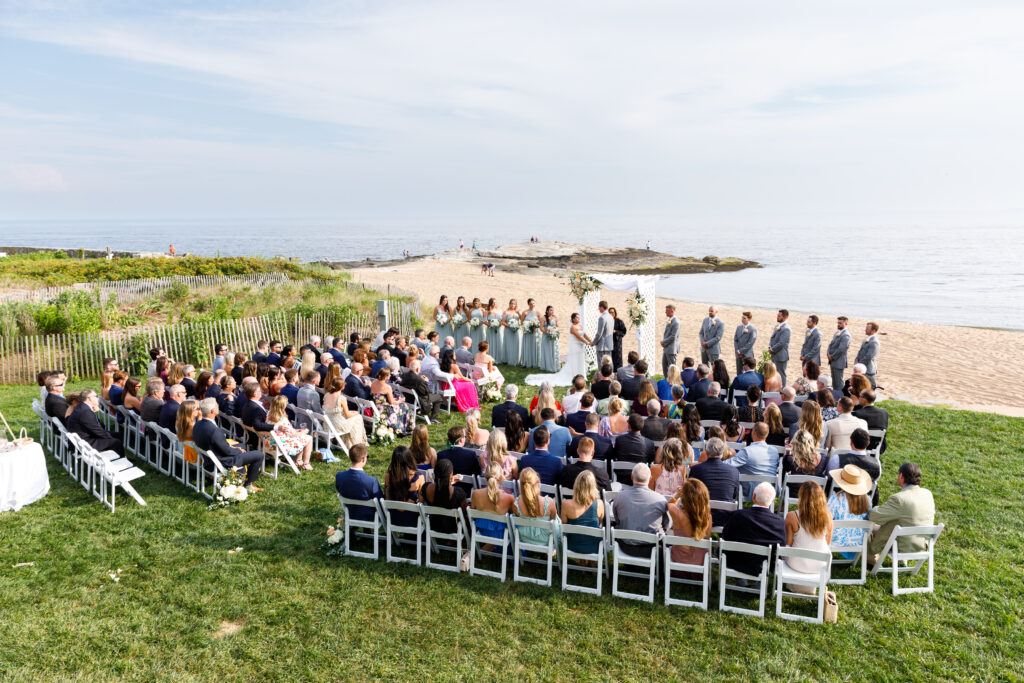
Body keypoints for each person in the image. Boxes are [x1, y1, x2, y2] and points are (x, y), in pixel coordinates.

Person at [867, 462, 935, 566]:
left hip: (901, 546)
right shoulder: (928, 494)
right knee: (901, 521)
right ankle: (902, 561)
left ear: (901, 476)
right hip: (922, 545)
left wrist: (873, 507)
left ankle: (872, 561)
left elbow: (874, 516)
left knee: (870, 527)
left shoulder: (899, 499)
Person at [193, 398, 264, 489]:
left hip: (210, 458)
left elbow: (220, 445)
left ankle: (240, 474)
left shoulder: (197, 424)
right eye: (217, 406)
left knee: (242, 445)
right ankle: (248, 484)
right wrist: (238, 451)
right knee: (259, 455)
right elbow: (227, 451)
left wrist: (236, 448)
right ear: (213, 410)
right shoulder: (214, 430)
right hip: (222, 461)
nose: (218, 407)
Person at [721, 482, 787, 577]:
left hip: (734, 561)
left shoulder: (736, 515)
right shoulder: (779, 522)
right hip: (763, 565)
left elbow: (725, 536)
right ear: (773, 501)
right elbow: (781, 547)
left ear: (753, 496)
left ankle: (742, 579)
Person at [612, 464, 672, 556]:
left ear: (632, 477)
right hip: (652, 548)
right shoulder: (660, 500)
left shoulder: (620, 497)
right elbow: (666, 525)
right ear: (650, 478)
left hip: (625, 546)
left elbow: (617, 520)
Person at [783, 482, 832, 593]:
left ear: (801, 498)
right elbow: (827, 542)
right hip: (820, 565)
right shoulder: (828, 516)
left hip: (796, 564)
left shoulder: (792, 516)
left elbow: (788, 544)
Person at [688, 437, 740, 526]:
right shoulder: (734, 471)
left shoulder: (696, 469)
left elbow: (690, 494)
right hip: (725, 517)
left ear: (707, 452)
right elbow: (735, 495)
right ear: (722, 452)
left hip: (701, 516)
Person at [667, 478, 712, 576]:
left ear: (685, 497)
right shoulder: (708, 517)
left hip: (679, 561)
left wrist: (677, 495)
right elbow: (707, 536)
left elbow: (669, 504)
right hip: (700, 563)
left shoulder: (677, 514)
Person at [827, 464, 872, 558]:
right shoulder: (867, 500)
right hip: (858, 540)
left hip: (836, 540)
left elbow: (826, 520)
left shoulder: (836, 499)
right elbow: (868, 519)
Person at [728, 423, 780, 499]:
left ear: (754, 432)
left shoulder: (747, 451)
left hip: (750, 493)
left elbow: (727, 465)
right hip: (769, 493)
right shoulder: (774, 451)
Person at [67, 389, 125, 456]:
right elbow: (96, 430)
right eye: (96, 396)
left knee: (117, 435)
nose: (98, 398)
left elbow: (95, 428)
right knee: (115, 442)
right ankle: (119, 460)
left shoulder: (83, 407)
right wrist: (109, 437)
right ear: (89, 398)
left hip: (83, 438)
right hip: (84, 443)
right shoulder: (85, 411)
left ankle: (120, 456)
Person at [560, 470, 605, 556]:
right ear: (593, 486)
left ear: (576, 485)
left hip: (573, 545)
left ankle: (583, 562)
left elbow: (564, 526)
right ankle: (591, 563)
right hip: (594, 546)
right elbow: (599, 523)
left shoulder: (566, 504)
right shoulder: (599, 504)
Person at [471, 462, 517, 545]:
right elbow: (516, 516)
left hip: (483, 530)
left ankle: (489, 546)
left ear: (485, 477)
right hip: (501, 533)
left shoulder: (475, 494)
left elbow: (473, 512)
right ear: (501, 478)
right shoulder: (509, 498)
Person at [264, 395, 314, 470]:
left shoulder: (268, 414)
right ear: (282, 407)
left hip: (269, 442)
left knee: (302, 438)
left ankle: (299, 461)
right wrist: (304, 432)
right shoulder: (282, 420)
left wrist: (297, 431)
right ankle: (306, 463)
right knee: (309, 438)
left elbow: (288, 431)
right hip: (281, 445)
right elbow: (293, 435)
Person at [513, 468, 559, 549]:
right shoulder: (549, 502)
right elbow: (554, 518)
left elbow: (517, 516)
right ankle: (555, 547)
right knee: (558, 520)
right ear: (537, 482)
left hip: (525, 537)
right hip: (546, 539)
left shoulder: (516, 504)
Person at [782, 430, 837, 497]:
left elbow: (785, 471)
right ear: (811, 442)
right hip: (814, 496)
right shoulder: (822, 458)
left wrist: (788, 453)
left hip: (794, 495)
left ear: (795, 443)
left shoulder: (789, 459)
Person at [335, 444, 382, 520]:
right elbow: (380, 502)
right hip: (370, 517)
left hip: (351, 514)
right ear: (363, 459)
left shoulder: (339, 476)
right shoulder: (372, 481)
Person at [420, 459, 469, 533]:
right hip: (453, 528)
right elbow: (464, 512)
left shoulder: (426, 488)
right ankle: (450, 541)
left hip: (433, 525)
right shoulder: (458, 493)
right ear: (451, 474)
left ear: (435, 472)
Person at [322, 377, 368, 451]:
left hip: (328, 425)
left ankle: (350, 443)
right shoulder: (341, 398)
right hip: (338, 425)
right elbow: (347, 415)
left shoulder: (326, 395)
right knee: (358, 417)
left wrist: (352, 413)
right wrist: (356, 413)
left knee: (355, 418)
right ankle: (356, 444)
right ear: (342, 387)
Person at [384, 446, 425, 527]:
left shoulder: (388, 476)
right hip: (414, 521)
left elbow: (387, 497)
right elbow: (421, 501)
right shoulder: (419, 477)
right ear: (410, 459)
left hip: (393, 519)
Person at [370, 368, 415, 436]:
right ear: (386, 376)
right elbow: (392, 403)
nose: (390, 376)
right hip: (384, 409)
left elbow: (380, 397)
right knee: (404, 405)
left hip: (375, 406)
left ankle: (404, 426)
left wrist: (395, 400)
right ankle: (404, 427)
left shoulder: (373, 382)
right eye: (389, 375)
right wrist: (400, 400)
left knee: (401, 404)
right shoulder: (387, 387)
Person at [611, 414, 655, 479]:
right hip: (640, 477)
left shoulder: (619, 439)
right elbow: (650, 460)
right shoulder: (649, 443)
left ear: (629, 426)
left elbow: (615, 455)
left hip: (622, 477)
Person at [439, 348, 479, 413]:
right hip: (451, 386)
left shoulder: (443, 364)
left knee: (465, 383)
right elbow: (462, 377)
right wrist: (470, 380)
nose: (455, 356)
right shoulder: (454, 366)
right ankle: (469, 403)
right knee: (470, 384)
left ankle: (461, 401)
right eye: (454, 355)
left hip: (445, 385)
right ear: (451, 357)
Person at [854, 389, 889, 454]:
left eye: (860, 396)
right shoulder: (884, 413)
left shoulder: (857, 414)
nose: (859, 398)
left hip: (861, 445)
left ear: (864, 399)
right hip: (880, 446)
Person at [826, 316, 852, 390]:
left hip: (839, 361)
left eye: (840, 323)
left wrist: (833, 356)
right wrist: (828, 353)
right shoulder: (837, 332)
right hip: (832, 360)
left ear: (846, 324)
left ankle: (840, 396)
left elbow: (841, 349)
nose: (838, 324)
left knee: (839, 381)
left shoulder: (846, 335)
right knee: (834, 381)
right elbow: (831, 344)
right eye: (838, 323)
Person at [768, 309, 792, 386]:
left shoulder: (786, 328)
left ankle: (783, 389)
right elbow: (772, 338)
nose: (777, 317)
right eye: (777, 315)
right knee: (774, 373)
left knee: (781, 374)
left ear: (784, 317)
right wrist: (769, 347)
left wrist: (772, 349)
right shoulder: (777, 326)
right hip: (774, 354)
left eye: (779, 316)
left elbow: (781, 343)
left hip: (781, 355)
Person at [855, 322, 881, 388]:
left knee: (868, 388)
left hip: (868, 369)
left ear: (873, 330)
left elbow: (869, 356)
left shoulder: (875, 342)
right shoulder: (866, 339)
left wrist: (859, 364)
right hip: (861, 367)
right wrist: (856, 359)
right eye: (866, 328)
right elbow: (860, 351)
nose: (865, 329)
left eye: (867, 328)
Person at [733, 312, 758, 376]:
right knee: (739, 371)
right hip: (738, 354)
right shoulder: (739, 327)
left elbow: (750, 343)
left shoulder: (753, 329)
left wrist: (741, 351)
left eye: (744, 318)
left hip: (747, 354)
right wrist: (737, 351)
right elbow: (735, 339)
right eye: (742, 317)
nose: (742, 319)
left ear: (749, 319)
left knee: (747, 372)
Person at [593, 300, 615, 372]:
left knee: (601, 364)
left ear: (602, 307)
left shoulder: (602, 318)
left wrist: (594, 342)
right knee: (609, 362)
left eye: (599, 307)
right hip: (609, 344)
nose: (599, 309)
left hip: (602, 345)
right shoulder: (611, 317)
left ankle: (601, 379)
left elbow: (599, 333)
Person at [519, 298, 541, 369]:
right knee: (528, 345)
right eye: (531, 304)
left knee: (535, 345)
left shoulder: (538, 312)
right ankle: (526, 362)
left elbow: (541, 322)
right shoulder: (525, 312)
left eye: (533, 303)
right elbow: (522, 322)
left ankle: (535, 362)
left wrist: (535, 325)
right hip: (527, 332)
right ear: (528, 304)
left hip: (535, 332)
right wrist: (527, 326)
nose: (532, 305)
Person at [661, 304, 680, 377]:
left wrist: (664, 342)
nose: (665, 312)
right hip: (666, 347)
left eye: (667, 311)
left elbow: (673, 336)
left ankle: (673, 381)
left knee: (672, 368)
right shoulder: (670, 320)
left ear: (672, 311)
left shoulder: (676, 322)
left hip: (672, 348)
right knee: (664, 366)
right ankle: (666, 381)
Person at [610, 306, 627, 371]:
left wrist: (616, 331)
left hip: (617, 344)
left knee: (618, 359)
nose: (611, 314)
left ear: (615, 313)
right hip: (609, 343)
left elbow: (624, 331)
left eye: (612, 312)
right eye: (610, 312)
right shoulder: (607, 321)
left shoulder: (619, 321)